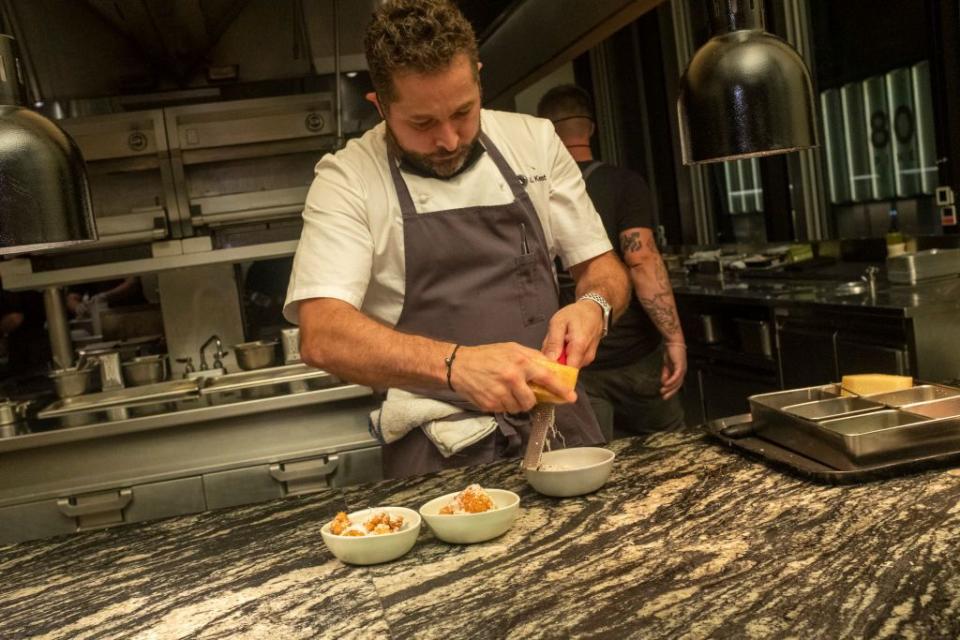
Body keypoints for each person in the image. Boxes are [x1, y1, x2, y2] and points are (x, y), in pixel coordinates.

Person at [283, 0, 630, 478]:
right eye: (422, 124)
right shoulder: (348, 178)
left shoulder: (535, 142)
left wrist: (594, 304)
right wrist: (455, 366)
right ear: (379, 106)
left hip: (559, 433)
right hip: (437, 453)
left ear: (479, 78)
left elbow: (605, 270)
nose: (448, 139)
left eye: (464, 112)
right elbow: (322, 334)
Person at [536, 84, 686, 438]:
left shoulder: (536, 194)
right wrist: (675, 339)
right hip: (636, 357)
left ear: (545, 133)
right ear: (590, 128)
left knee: (593, 466)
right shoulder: (623, 184)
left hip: (574, 362)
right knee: (669, 457)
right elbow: (642, 261)